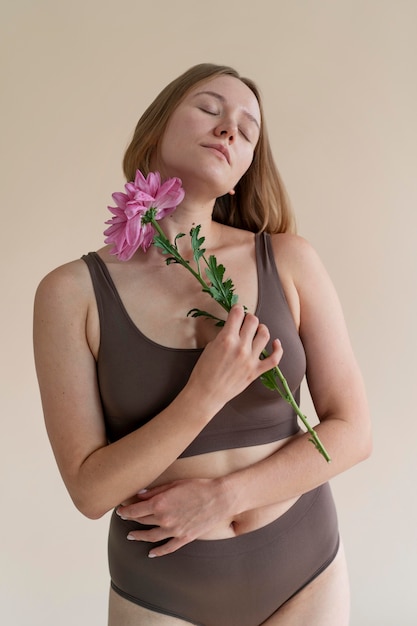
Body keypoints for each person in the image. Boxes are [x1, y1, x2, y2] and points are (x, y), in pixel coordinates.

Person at [33, 63, 372, 626]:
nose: (229, 130)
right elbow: (90, 492)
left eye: (247, 130)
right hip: (164, 590)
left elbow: (354, 432)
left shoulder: (289, 260)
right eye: (210, 110)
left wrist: (225, 497)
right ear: (155, 133)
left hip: (306, 572)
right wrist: (203, 395)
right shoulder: (71, 293)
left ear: (241, 173)